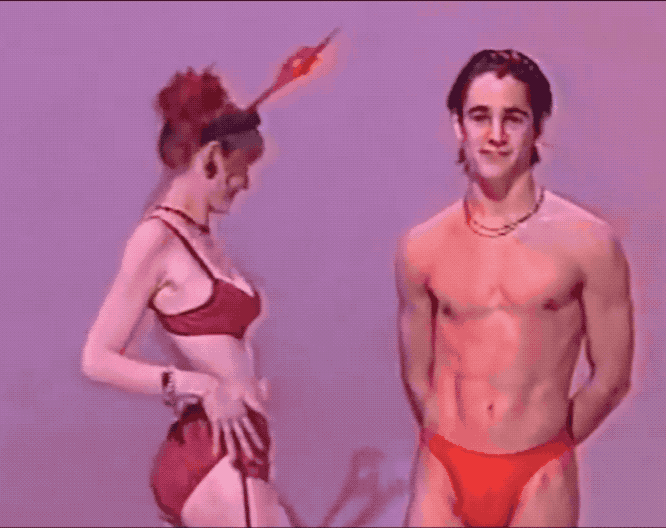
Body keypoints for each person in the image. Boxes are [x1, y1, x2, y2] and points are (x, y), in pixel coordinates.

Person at [396, 49, 634, 527]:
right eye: (480, 117)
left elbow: (612, 377)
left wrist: (549, 445)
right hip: (444, 468)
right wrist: (448, 435)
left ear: (537, 127)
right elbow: (416, 373)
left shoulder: (587, 243)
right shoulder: (423, 247)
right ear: (459, 126)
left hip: (538, 473)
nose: (496, 135)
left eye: (513, 118)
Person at [81, 66, 290, 527]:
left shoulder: (203, 238)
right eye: (241, 168)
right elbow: (96, 358)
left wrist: (248, 387)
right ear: (211, 157)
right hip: (208, 453)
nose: (245, 183)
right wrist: (201, 385)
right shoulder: (156, 239)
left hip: (240, 445)